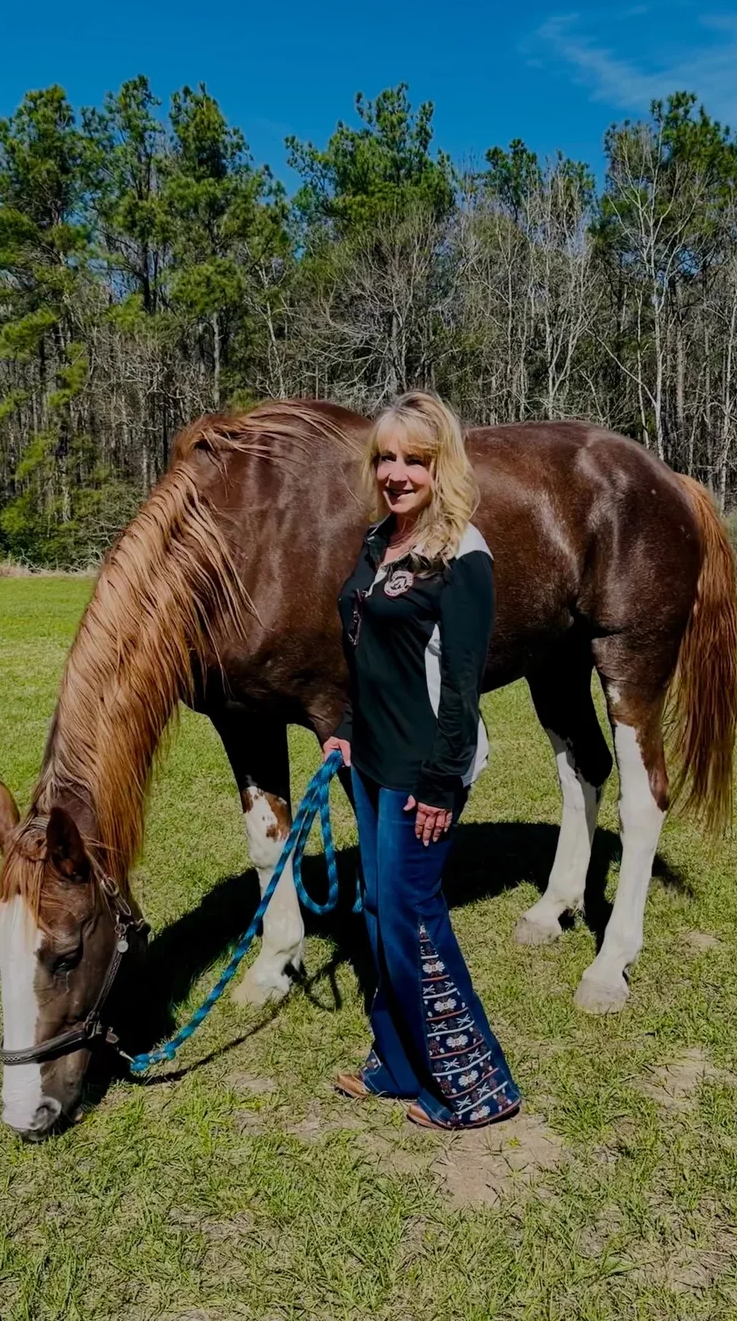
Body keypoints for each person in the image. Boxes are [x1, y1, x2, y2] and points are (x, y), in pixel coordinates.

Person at [323, 390, 520, 1130]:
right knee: (376, 911)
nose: (395, 472)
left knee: (412, 917)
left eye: (414, 459)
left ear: (442, 467)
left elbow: (463, 681)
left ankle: (476, 1088)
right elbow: (369, 652)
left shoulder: (461, 555)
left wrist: (441, 780)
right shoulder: (381, 540)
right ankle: (402, 1064)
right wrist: (344, 724)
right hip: (370, 758)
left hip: (422, 772)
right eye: (385, 457)